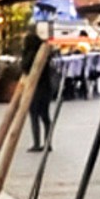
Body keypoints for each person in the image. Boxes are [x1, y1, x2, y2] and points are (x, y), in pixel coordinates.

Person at [20, 25, 59, 153]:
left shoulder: (29, 54)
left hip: (34, 88)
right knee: (45, 116)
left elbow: (24, 67)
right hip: (45, 88)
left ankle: (36, 142)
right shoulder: (43, 53)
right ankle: (48, 142)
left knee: (34, 116)